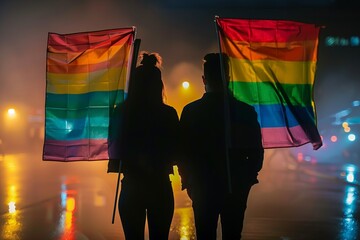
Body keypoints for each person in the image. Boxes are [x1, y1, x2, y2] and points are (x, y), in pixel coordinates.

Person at [178, 53, 264, 239]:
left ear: (204, 79)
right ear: (229, 78)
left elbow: (182, 152)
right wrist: (246, 179)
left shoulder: (192, 111)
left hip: (203, 185)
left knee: (205, 234)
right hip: (234, 185)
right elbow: (256, 151)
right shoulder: (244, 111)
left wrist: (190, 181)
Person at [107, 52, 179, 240]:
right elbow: (177, 150)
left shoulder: (122, 112)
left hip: (131, 186)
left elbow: (113, 147)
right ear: (158, 85)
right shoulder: (168, 114)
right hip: (160, 186)